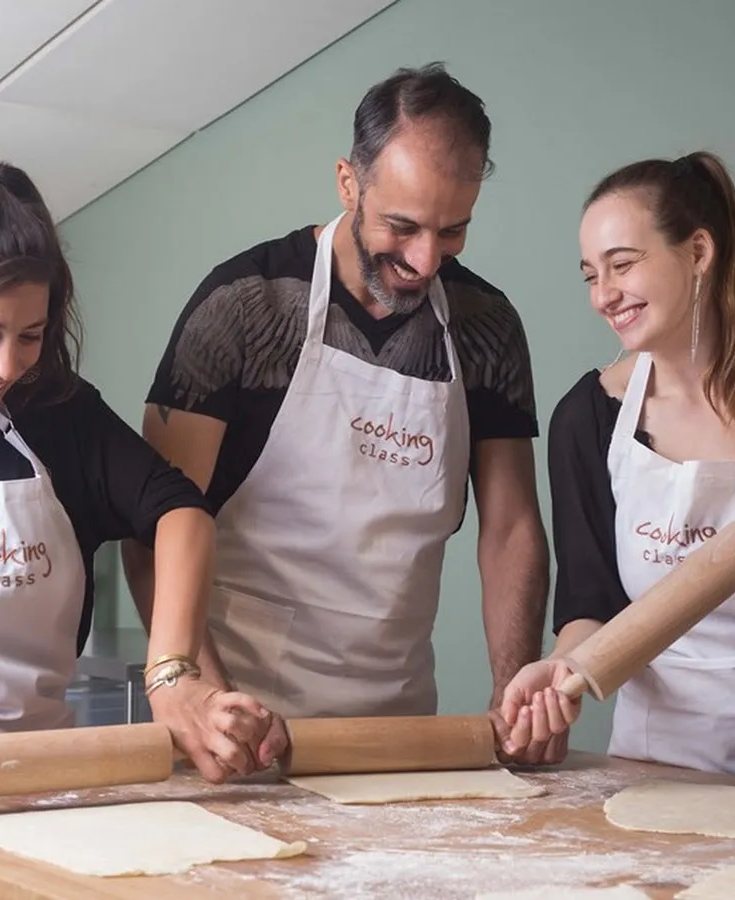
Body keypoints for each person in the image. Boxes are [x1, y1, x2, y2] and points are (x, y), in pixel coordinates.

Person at [124, 64, 556, 763]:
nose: (425, 259)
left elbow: (510, 530)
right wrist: (210, 707)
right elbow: (153, 532)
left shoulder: (486, 326)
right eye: (402, 226)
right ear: (348, 183)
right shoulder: (244, 306)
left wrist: (513, 696)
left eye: (452, 231)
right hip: (239, 715)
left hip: (397, 728)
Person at [0, 159, 282, 805]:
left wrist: (172, 672)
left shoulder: (55, 415)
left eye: (29, 336)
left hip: (45, 795)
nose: (6, 366)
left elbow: (179, 513)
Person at [499, 152, 735, 793]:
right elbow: (592, 605)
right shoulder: (588, 418)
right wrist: (560, 668)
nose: (603, 295)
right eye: (591, 275)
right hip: (654, 776)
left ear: (698, 252)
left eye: (622, 265)